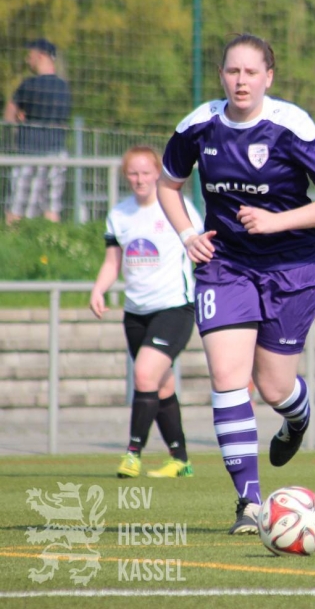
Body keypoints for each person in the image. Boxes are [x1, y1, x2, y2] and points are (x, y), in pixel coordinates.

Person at [158, 33, 315, 535]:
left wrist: (275, 221)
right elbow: (168, 184)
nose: (241, 81)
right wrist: (187, 234)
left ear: (269, 77)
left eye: (250, 72)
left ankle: (297, 417)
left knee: (274, 386)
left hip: (292, 268)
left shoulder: (292, 126)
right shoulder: (199, 125)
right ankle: (249, 503)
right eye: (232, 71)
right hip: (224, 265)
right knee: (228, 376)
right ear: (221, 75)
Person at [90, 146, 201, 480]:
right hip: (136, 313)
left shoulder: (179, 208)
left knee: (143, 375)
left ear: (158, 174)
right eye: (133, 173)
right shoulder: (120, 214)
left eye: (146, 173)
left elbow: (202, 248)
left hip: (174, 307)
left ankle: (133, 453)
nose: (139, 179)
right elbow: (113, 262)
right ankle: (180, 460)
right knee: (160, 384)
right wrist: (98, 289)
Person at [4, 38, 72, 224]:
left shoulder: (28, 85)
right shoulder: (64, 87)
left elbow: (9, 116)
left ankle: (11, 238)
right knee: (52, 208)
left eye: (30, 55)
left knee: (17, 207)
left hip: (30, 152)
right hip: (57, 152)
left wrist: (19, 118)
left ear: (41, 55)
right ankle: (50, 240)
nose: (27, 59)